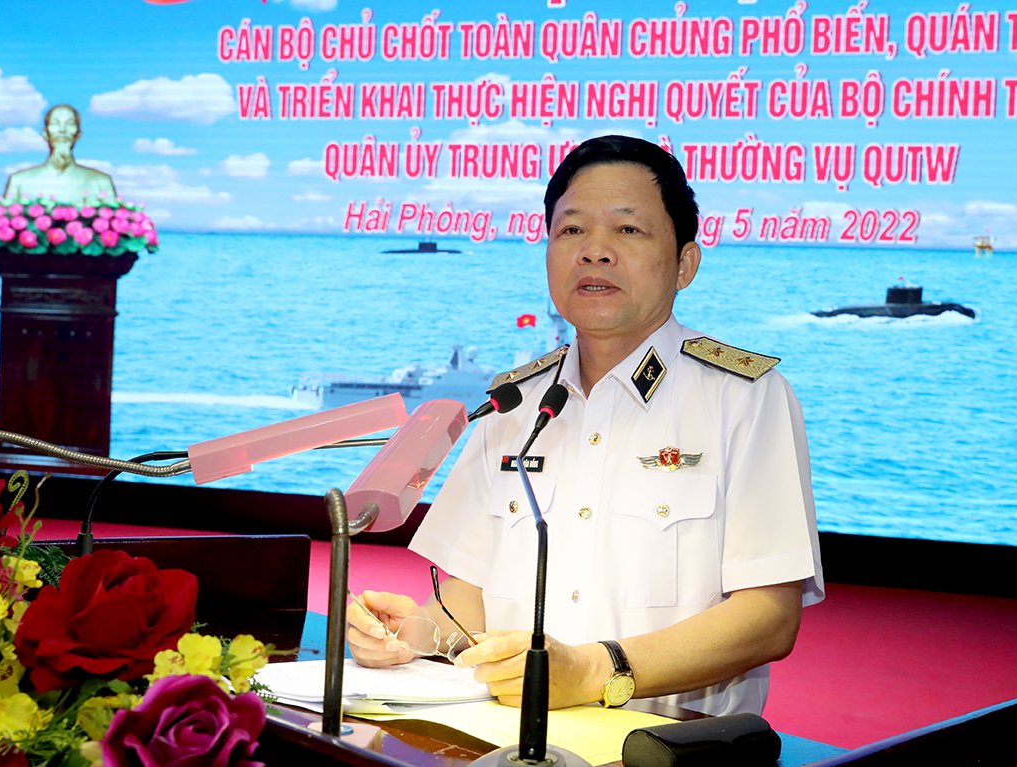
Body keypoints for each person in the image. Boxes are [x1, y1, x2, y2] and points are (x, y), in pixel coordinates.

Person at [347, 135, 823, 717]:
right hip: (506, 737)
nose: (595, 251)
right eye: (571, 230)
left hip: (666, 746)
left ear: (685, 264)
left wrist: (597, 671)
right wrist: (414, 635)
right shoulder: (514, 403)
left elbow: (769, 618)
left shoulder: (744, 398)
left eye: (628, 229)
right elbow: (469, 594)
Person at [3, 104, 116, 203]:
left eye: (70, 124)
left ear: (78, 134)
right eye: (55, 123)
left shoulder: (101, 182)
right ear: (45, 133)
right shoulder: (19, 181)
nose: (62, 130)